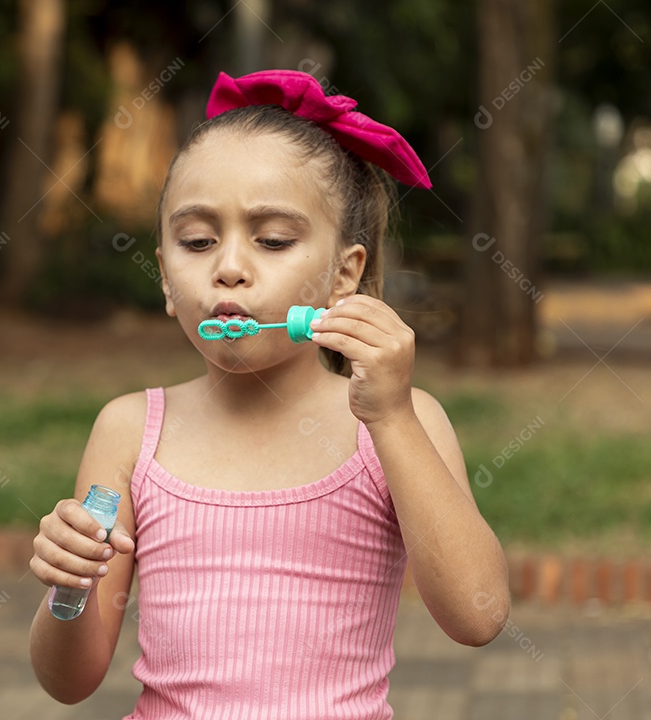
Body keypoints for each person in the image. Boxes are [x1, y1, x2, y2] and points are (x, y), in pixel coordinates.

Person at [29, 69, 510, 719]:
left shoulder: (397, 421)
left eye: (273, 239)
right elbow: (70, 680)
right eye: (197, 241)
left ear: (345, 276)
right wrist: (69, 587)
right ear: (166, 279)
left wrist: (392, 417)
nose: (228, 265)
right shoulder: (128, 430)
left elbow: (479, 615)